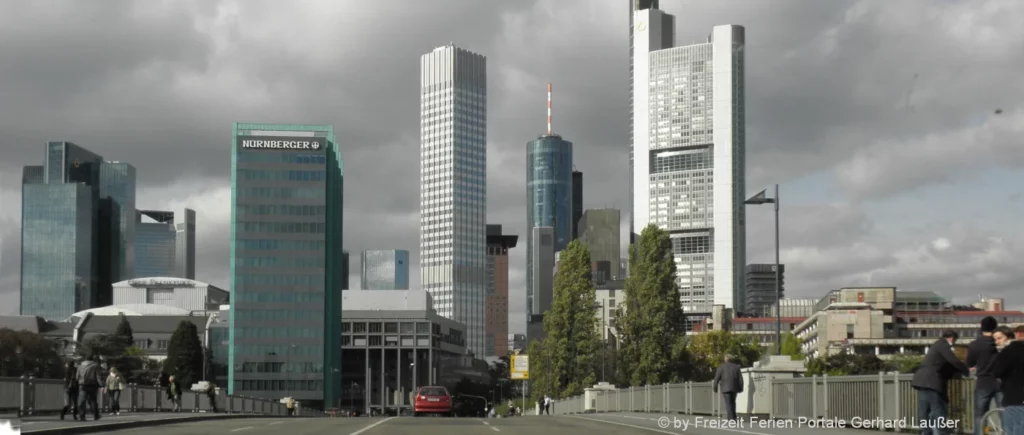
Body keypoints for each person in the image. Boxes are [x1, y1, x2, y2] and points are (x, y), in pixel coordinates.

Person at [912, 330, 970, 435]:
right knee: (938, 409)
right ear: (952, 338)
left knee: (924, 410)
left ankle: (926, 432)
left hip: (921, 380)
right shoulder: (943, 345)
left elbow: (946, 364)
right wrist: (967, 371)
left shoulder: (937, 345)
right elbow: (954, 361)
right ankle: (941, 432)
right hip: (931, 381)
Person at [966, 316, 1001, 435]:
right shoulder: (999, 342)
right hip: (1001, 382)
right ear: (995, 327)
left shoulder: (974, 345)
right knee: (1004, 413)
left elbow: (970, 363)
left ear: (981, 327)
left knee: (980, 415)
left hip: (983, 382)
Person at [988, 325, 1024, 435]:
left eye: (999, 338)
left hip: (1014, 396)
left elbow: (995, 372)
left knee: (1014, 427)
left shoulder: (1008, 351)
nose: (997, 342)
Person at [713, 354, 743, 421]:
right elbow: (740, 379)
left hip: (725, 388)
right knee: (733, 402)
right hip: (734, 387)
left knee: (728, 403)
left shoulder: (721, 367)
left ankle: (731, 418)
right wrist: (741, 388)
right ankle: (734, 417)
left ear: (725, 359)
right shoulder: (736, 367)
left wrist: (715, 388)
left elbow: (716, 379)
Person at [76, 355, 103, 421]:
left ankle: (82, 416)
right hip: (93, 385)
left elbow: (77, 377)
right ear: (92, 359)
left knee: (82, 400)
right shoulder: (95, 366)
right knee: (93, 400)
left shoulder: (80, 366)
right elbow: (98, 376)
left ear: (85, 359)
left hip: (82, 385)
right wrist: (102, 384)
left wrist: (80, 381)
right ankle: (96, 415)